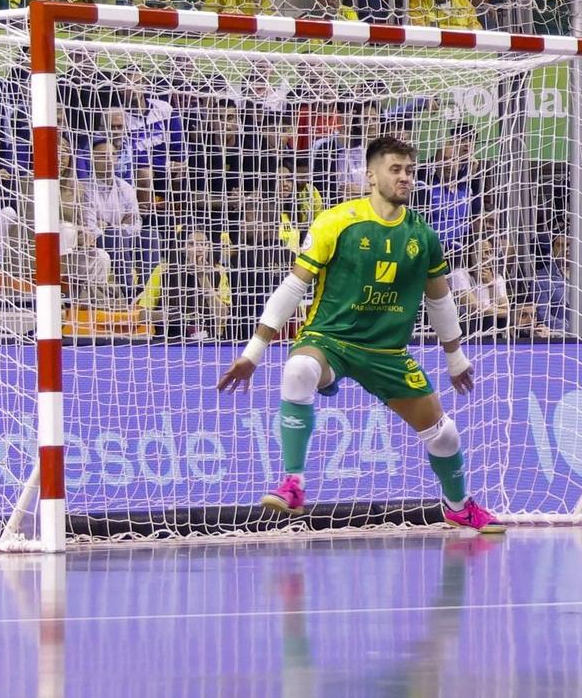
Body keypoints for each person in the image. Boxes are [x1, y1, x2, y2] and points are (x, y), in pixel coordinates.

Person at [215, 136, 503, 532]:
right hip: (330, 340)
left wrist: (455, 358)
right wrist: (253, 352)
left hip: (386, 352)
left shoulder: (422, 236)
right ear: (371, 175)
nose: (404, 178)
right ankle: (293, 484)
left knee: (444, 436)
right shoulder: (336, 221)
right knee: (298, 369)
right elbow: (293, 287)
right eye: (395, 169)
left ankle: (457, 505)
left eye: (409, 171)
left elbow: (439, 301)